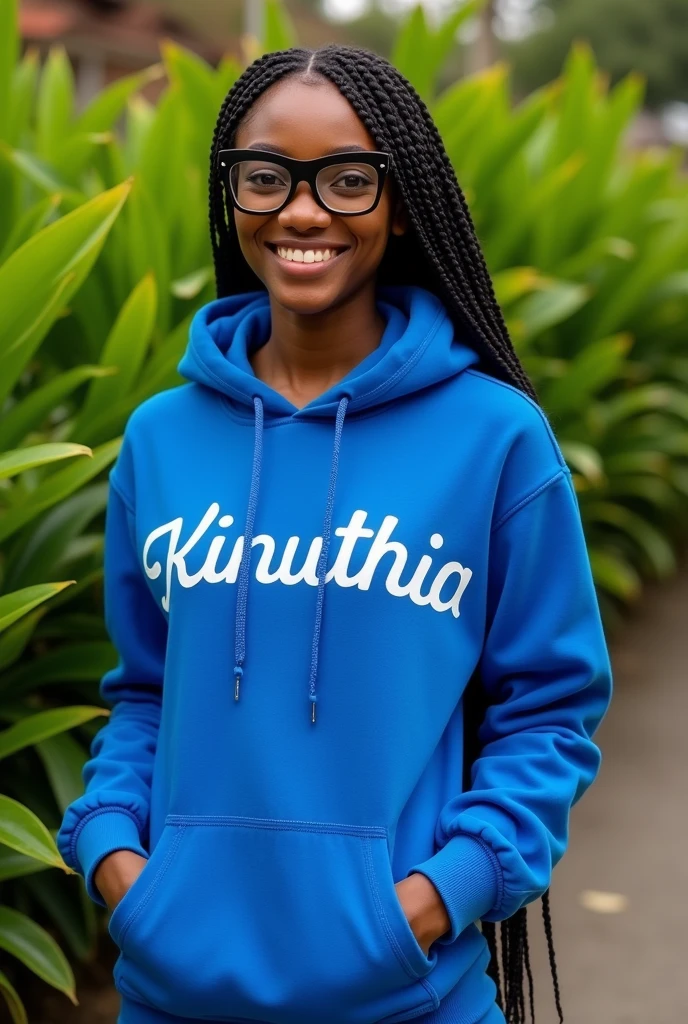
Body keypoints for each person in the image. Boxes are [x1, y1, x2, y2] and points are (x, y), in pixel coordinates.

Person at [57, 44, 613, 1024]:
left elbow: (550, 707)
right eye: (265, 176)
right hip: (172, 993)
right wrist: (116, 856)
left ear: (399, 204)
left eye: (347, 179)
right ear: (231, 196)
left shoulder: (493, 439)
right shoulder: (161, 438)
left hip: (405, 996)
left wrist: (439, 896)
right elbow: (145, 688)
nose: (302, 211)